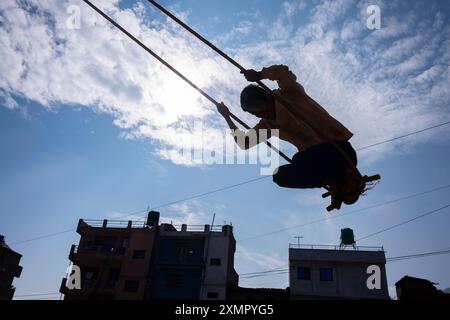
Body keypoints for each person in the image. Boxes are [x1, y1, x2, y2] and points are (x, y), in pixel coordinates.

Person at [216, 64, 366, 208]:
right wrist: (227, 117)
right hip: (317, 162)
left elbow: (282, 72)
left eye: (261, 109)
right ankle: (337, 183)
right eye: (256, 114)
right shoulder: (268, 125)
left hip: (338, 151)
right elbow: (244, 142)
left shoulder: (289, 94)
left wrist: (259, 75)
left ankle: (341, 180)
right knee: (279, 176)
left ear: (267, 96)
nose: (262, 114)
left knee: (300, 159)